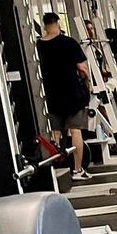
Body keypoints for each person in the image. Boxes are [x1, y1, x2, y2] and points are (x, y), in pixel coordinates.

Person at [36, 12, 92, 181]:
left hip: (50, 95)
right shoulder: (69, 42)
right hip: (72, 94)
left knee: (55, 133)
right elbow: (82, 68)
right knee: (75, 131)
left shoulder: (38, 45)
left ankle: (56, 171)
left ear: (44, 25)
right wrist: (88, 83)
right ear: (58, 23)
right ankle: (77, 170)